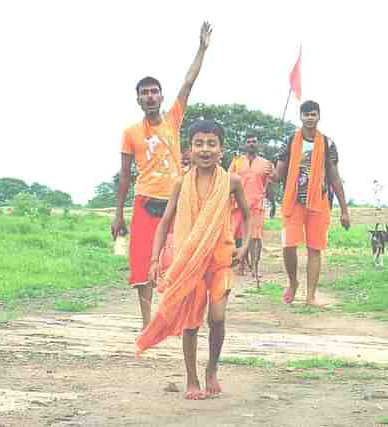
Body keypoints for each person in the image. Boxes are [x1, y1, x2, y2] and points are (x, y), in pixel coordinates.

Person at [136, 120, 251, 400]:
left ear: (221, 149)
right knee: (190, 322)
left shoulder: (232, 181)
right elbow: (164, 223)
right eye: (199, 143)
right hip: (189, 264)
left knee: (218, 317)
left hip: (220, 260)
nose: (205, 149)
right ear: (190, 149)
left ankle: (212, 368)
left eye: (212, 143)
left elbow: (247, 217)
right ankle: (192, 378)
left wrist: (244, 247)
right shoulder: (180, 183)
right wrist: (154, 260)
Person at [111, 22, 212, 330]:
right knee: (142, 264)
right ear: (138, 99)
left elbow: (188, 82)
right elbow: (125, 177)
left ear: (161, 97)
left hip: (175, 201)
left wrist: (202, 48)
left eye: (154, 92)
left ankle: (177, 316)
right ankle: (147, 322)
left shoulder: (172, 121)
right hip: (144, 202)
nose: (150, 97)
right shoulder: (130, 133)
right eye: (145, 93)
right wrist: (118, 213)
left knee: (178, 260)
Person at [273, 100, 351, 307]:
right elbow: (278, 173)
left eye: (313, 114)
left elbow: (335, 177)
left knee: (314, 249)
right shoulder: (290, 141)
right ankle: (293, 283)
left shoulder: (327, 143)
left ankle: (311, 296)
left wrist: (344, 210)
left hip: (319, 202)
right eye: (306, 114)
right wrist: (268, 174)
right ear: (300, 117)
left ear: (319, 117)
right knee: (288, 245)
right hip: (293, 201)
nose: (309, 118)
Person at [229, 132, 273, 286]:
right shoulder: (236, 162)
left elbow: (270, 185)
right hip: (237, 205)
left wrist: (272, 203)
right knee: (238, 237)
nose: (251, 144)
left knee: (255, 238)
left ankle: (254, 267)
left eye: (254, 141)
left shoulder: (266, 164)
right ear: (245, 144)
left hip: (257, 204)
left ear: (258, 144)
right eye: (249, 141)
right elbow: (228, 182)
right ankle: (240, 265)